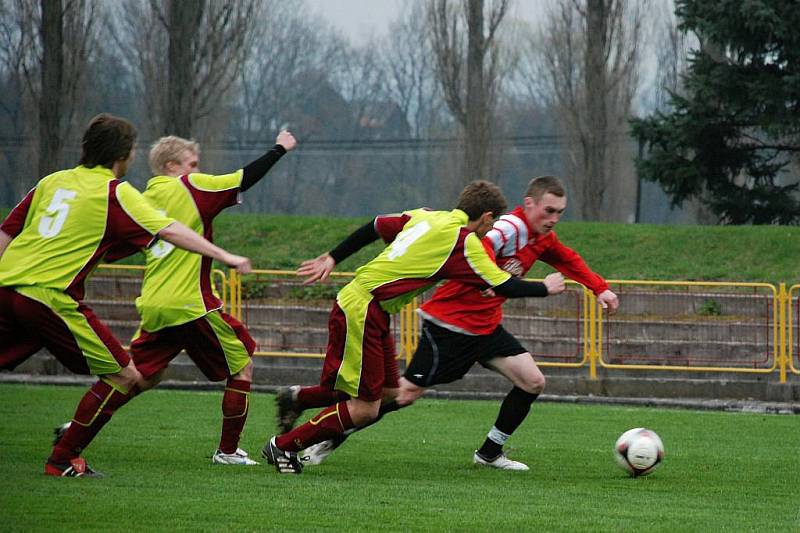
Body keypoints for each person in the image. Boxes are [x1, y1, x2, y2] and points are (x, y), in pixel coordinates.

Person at [284, 176, 619, 471]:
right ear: (528, 204)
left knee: (533, 381)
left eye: (560, 212)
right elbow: (474, 251)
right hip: (451, 324)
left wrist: (600, 288)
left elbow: (566, 258)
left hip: (486, 327)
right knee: (400, 394)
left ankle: (489, 453)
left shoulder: (539, 238)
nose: (554, 219)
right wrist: (508, 283)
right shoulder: (503, 230)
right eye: (549, 211)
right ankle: (324, 439)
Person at [0, 113, 252, 477]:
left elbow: (7, 233)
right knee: (123, 376)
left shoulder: (51, 182)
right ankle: (62, 460)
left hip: (8, 291)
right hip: (49, 296)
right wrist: (224, 255)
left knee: (139, 375)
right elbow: (170, 230)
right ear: (125, 155)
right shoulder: (115, 192)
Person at [54, 130, 297, 467]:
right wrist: (279, 148)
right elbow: (244, 178)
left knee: (140, 376)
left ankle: (75, 428)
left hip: (155, 305)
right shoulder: (192, 187)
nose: (198, 170)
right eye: (192, 164)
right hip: (192, 302)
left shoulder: (140, 198)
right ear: (171, 166)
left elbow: (112, 248)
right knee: (242, 367)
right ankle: (227, 452)